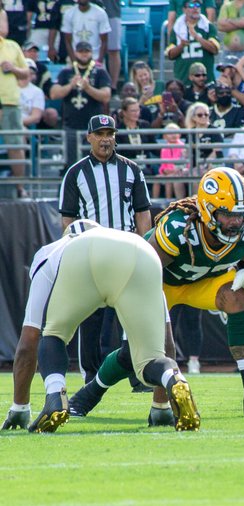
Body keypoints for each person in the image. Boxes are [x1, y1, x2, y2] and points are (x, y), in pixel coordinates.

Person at [68, 167, 244, 419]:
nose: (236, 222)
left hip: (204, 281)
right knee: (132, 354)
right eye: (227, 214)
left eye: (240, 214)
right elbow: (142, 273)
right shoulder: (178, 229)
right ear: (208, 211)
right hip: (156, 282)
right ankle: (89, 394)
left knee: (238, 295)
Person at [7, 222, 200, 433]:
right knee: (149, 359)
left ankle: (55, 395)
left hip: (80, 256)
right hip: (142, 251)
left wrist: (20, 407)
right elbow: (166, 341)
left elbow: (29, 341)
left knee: (53, 334)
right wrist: (160, 407)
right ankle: (174, 378)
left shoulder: (51, 252)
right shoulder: (124, 241)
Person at [57, 114, 152, 384]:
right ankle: (90, 376)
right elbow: (68, 219)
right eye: (99, 134)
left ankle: (139, 374)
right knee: (90, 319)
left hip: (126, 251)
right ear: (89, 137)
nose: (105, 139)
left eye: (109, 133)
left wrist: (146, 248)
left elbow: (143, 213)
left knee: (133, 316)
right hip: (91, 252)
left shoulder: (131, 169)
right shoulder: (75, 173)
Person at [49, 41, 112, 169]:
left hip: (94, 128)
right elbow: (54, 94)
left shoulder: (100, 72)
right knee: (71, 165)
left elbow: (106, 96)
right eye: (81, 51)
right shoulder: (66, 72)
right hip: (71, 126)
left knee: (95, 164)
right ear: (76, 53)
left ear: (91, 53)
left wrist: (88, 88)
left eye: (86, 51)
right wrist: (70, 85)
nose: (84, 54)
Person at [0, 30, 29, 198]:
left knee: (16, 144)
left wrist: (13, 68)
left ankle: (20, 187)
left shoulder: (12, 46)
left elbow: (26, 73)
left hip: (10, 101)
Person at [61, 0, 110, 67]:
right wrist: (74, 62)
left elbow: (104, 41)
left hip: (95, 58)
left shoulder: (100, 13)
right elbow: (67, 41)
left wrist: (99, 61)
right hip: (75, 57)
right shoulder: (69, 13)